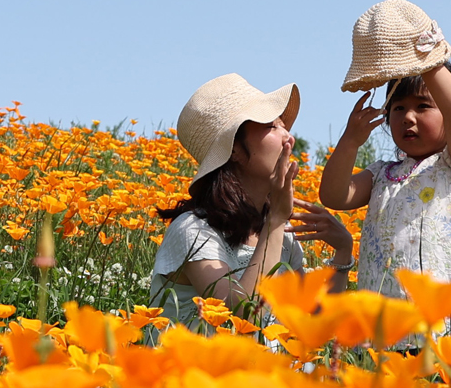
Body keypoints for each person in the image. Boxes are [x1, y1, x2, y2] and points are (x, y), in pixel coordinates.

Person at [319, 0, 451, 334]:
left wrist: (424, 59)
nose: (408, 118)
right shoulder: (381, 175)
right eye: (398, 108)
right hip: (387, 330)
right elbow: (334, 195)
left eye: (423, 106)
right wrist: (350, 141)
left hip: (450, 331)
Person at [149, 74, 354, 331]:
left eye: (283, 126)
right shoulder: (193, 231)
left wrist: (343, 252)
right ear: (233, 149)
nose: (289, 138)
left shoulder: (282, 235)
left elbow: (312, 321)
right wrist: (276, 220)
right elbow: (239, 316)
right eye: (271, 126)